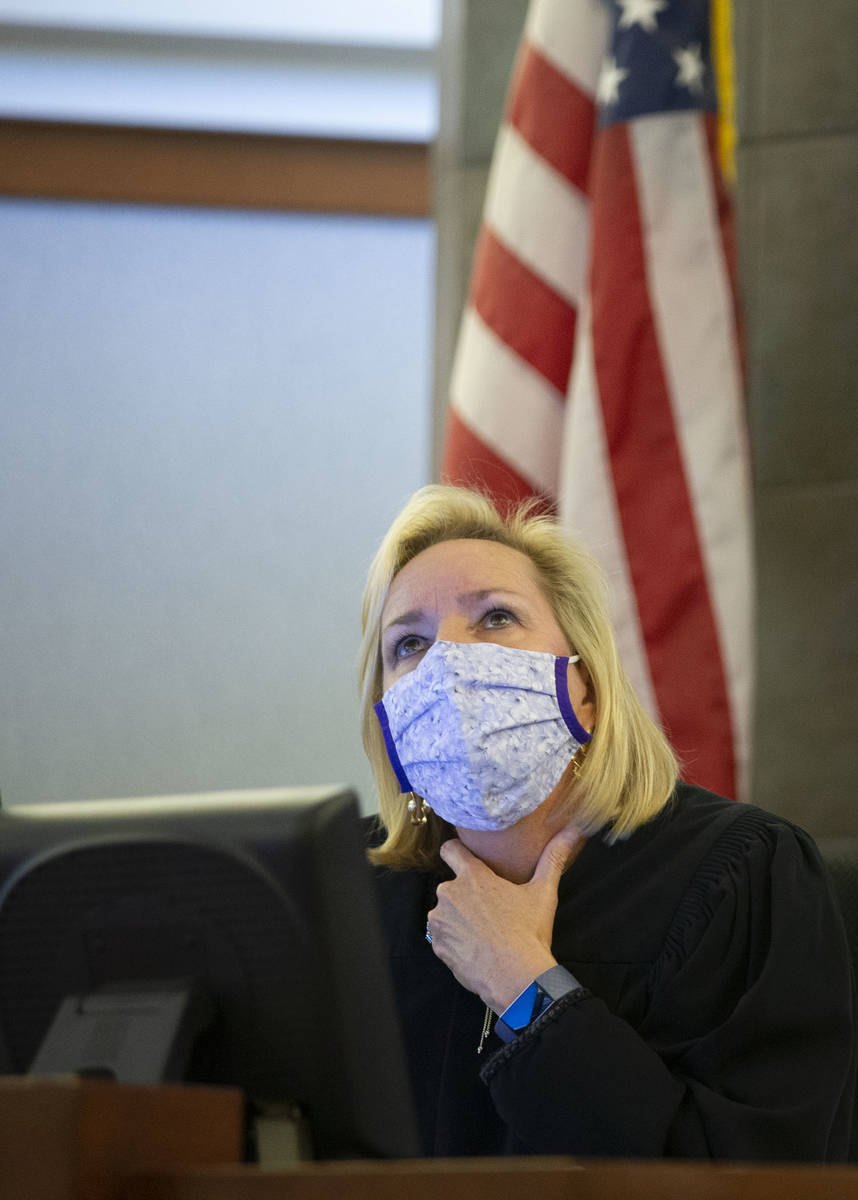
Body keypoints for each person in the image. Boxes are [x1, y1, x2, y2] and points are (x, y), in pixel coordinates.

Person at [359, 484, 855, 1161]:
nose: (446, 662)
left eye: (496, 617)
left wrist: (523, 986)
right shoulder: (351, 895)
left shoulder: (741, 873)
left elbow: (751, 1177)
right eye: (409, 642)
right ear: (387, 715)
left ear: (585, 687)